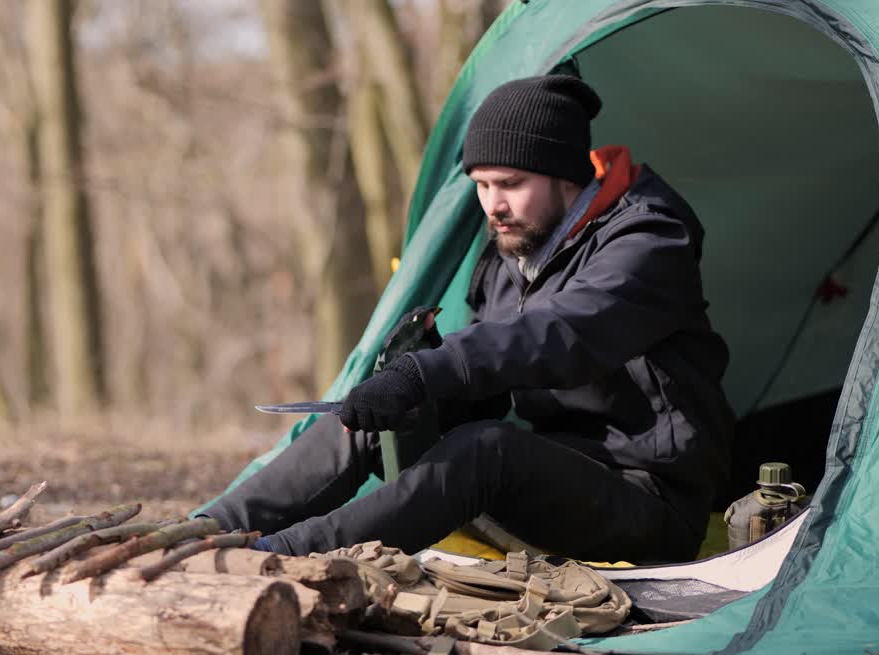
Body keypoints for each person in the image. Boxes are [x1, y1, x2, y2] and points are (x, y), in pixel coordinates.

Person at [202, 74, 734, 564]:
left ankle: (279, 559)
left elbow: (564, 334)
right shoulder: (514, 249)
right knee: (369, 412)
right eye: (481, 185)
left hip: (650, 501)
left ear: (566, 177)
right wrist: (422, 390)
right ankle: (205, 533)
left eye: (510, 183)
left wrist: (431, 370)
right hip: (557, 478)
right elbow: (495, 390)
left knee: (485, 449)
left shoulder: (649, 241)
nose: (492, 204)